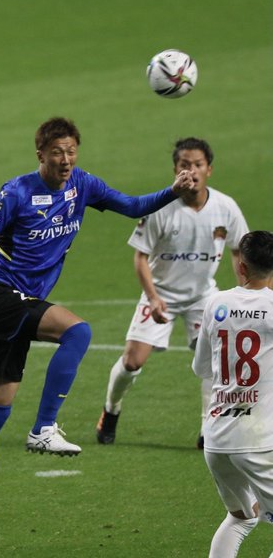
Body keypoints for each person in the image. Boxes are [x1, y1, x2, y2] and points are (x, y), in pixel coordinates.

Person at [0, 116, 196, 554]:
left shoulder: (83, 185)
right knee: (78, 331)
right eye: (57, 152)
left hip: (18, 304)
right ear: (40, 154)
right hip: (0, 296)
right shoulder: (16, 192)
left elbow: (132, 206)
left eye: (71, 151)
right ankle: (43, 427)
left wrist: (172, 190)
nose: (66, 159)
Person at [96, 137, 249, 448]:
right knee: (133, 361)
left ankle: (208, 429)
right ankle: (110, 411)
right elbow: (140, 257)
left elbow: (238, 251)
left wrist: (242, 291)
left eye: (197, 165)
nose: (191, 171)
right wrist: (153, 297)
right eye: (184, 165)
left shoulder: (226, 207)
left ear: (209, 169)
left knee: (214, 361)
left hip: (202, 297)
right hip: (161, 293)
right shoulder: (161, 209)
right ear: (175, 170)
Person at [192, 230, 273, 557]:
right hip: (259, 441)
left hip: (217, 439)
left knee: (241, 517)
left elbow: (201, 368)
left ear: (241, 265)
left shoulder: (216, 303)